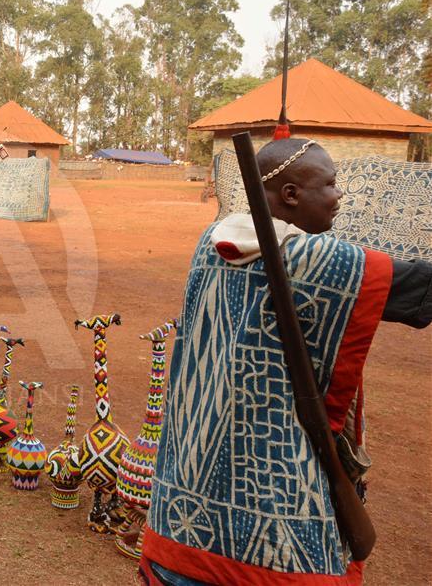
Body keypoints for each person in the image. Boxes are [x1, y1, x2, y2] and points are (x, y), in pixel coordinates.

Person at [142, 138, 431, 586]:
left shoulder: (211, 241)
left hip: (184, 510)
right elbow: (417, 292)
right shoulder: (306, 257)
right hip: (271, 533)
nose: (339, 196)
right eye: (331, 184)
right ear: (292, 195)